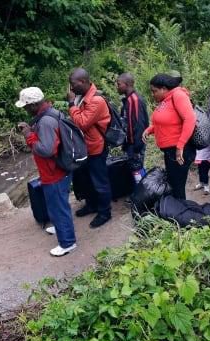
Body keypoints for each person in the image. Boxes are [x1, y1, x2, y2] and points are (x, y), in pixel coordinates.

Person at [16, 87, 77, 257]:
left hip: (54, 172)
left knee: (58, 207)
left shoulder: (45, 122)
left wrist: (29, 134)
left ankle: (67, 243)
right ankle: (61, 228)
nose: (25, 110)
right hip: (60, 169)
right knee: (58, 204)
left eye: (26, 106)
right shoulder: (51, 112)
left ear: (34, 105)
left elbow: (47, 149)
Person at [67, 68, 112, 228]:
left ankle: (105, 212)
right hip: (85, 146)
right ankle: (92, 205)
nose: (71, 89)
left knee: (100, 181)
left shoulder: (96, 100)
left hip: (96, 146)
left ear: (83, 82)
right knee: (86, 179)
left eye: (73, 84)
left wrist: (71, 105)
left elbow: (83, 122)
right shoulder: (83, 96)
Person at [142, 73, 196, 199]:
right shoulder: (165, 100)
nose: (152, 94)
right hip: (170, 151)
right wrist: (150, 129)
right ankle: (177, 211)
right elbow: (168, 121)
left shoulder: (178, 95)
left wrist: (180, 146)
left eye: (154, 91)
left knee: (177, 186)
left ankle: (181, 213)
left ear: (164, 89)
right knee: (173, 184)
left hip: (179, 151)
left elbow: (190, 119)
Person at [116, 73, 149, 183]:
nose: (117, 87)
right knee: (135, 169)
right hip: (130, 143)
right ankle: (138, 193)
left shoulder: (134, 100)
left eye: (119, 84)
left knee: (137, 169)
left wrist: (136, 148)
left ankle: (141, 195)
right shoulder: (128, 100)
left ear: (127, 84)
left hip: (135, 144)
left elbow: (140, 125)